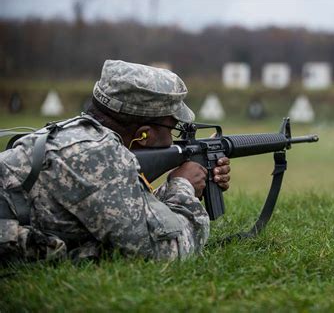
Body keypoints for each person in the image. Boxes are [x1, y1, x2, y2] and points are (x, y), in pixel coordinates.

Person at [0, 60, 231, 262]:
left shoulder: (80, 136)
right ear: (145, 134)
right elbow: (168, 250)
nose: (174, 138)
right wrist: (183, 187)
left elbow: (121, 211)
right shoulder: (99, 156)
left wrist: (174, 185)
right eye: (174, 128)